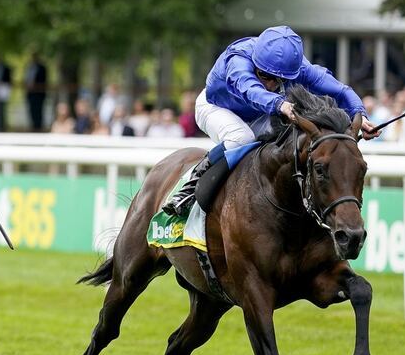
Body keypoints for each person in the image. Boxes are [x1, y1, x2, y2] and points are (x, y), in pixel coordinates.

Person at [163, 25, 380, 216]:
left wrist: (360, 117)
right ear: (256, 63)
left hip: (259, 114)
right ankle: (190, 187)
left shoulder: (299, 69)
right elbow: (252, 90)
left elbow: (341, 92)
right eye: (264, 76)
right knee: (242, 137)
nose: (271, 84)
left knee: (290, 140)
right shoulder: (238, 59)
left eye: (280, 81)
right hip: (215, 107)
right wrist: (278, 104)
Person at [24, 53, 48, 131]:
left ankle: (39, 128)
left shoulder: (42, 68)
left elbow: (44, 81)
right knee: (32, 111)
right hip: (30, 94)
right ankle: (33, 127)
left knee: (39, 111)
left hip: (39, 94)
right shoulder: (29, 68)